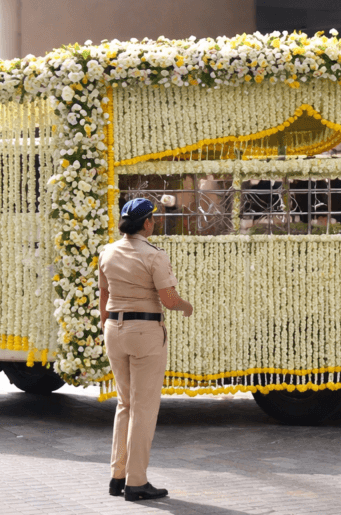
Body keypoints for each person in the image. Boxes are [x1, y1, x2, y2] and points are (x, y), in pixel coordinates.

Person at [99, 198, 193, 502]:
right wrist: (186, 306)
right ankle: (136, 482)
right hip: (145, 331)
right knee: (144, 407)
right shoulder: (154, 255)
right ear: (147, 223)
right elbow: (169, 299)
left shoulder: (108, 252)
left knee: (124, 404)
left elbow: (104, 297)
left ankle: (118, 476)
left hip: (115, 329)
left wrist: (107, 328)